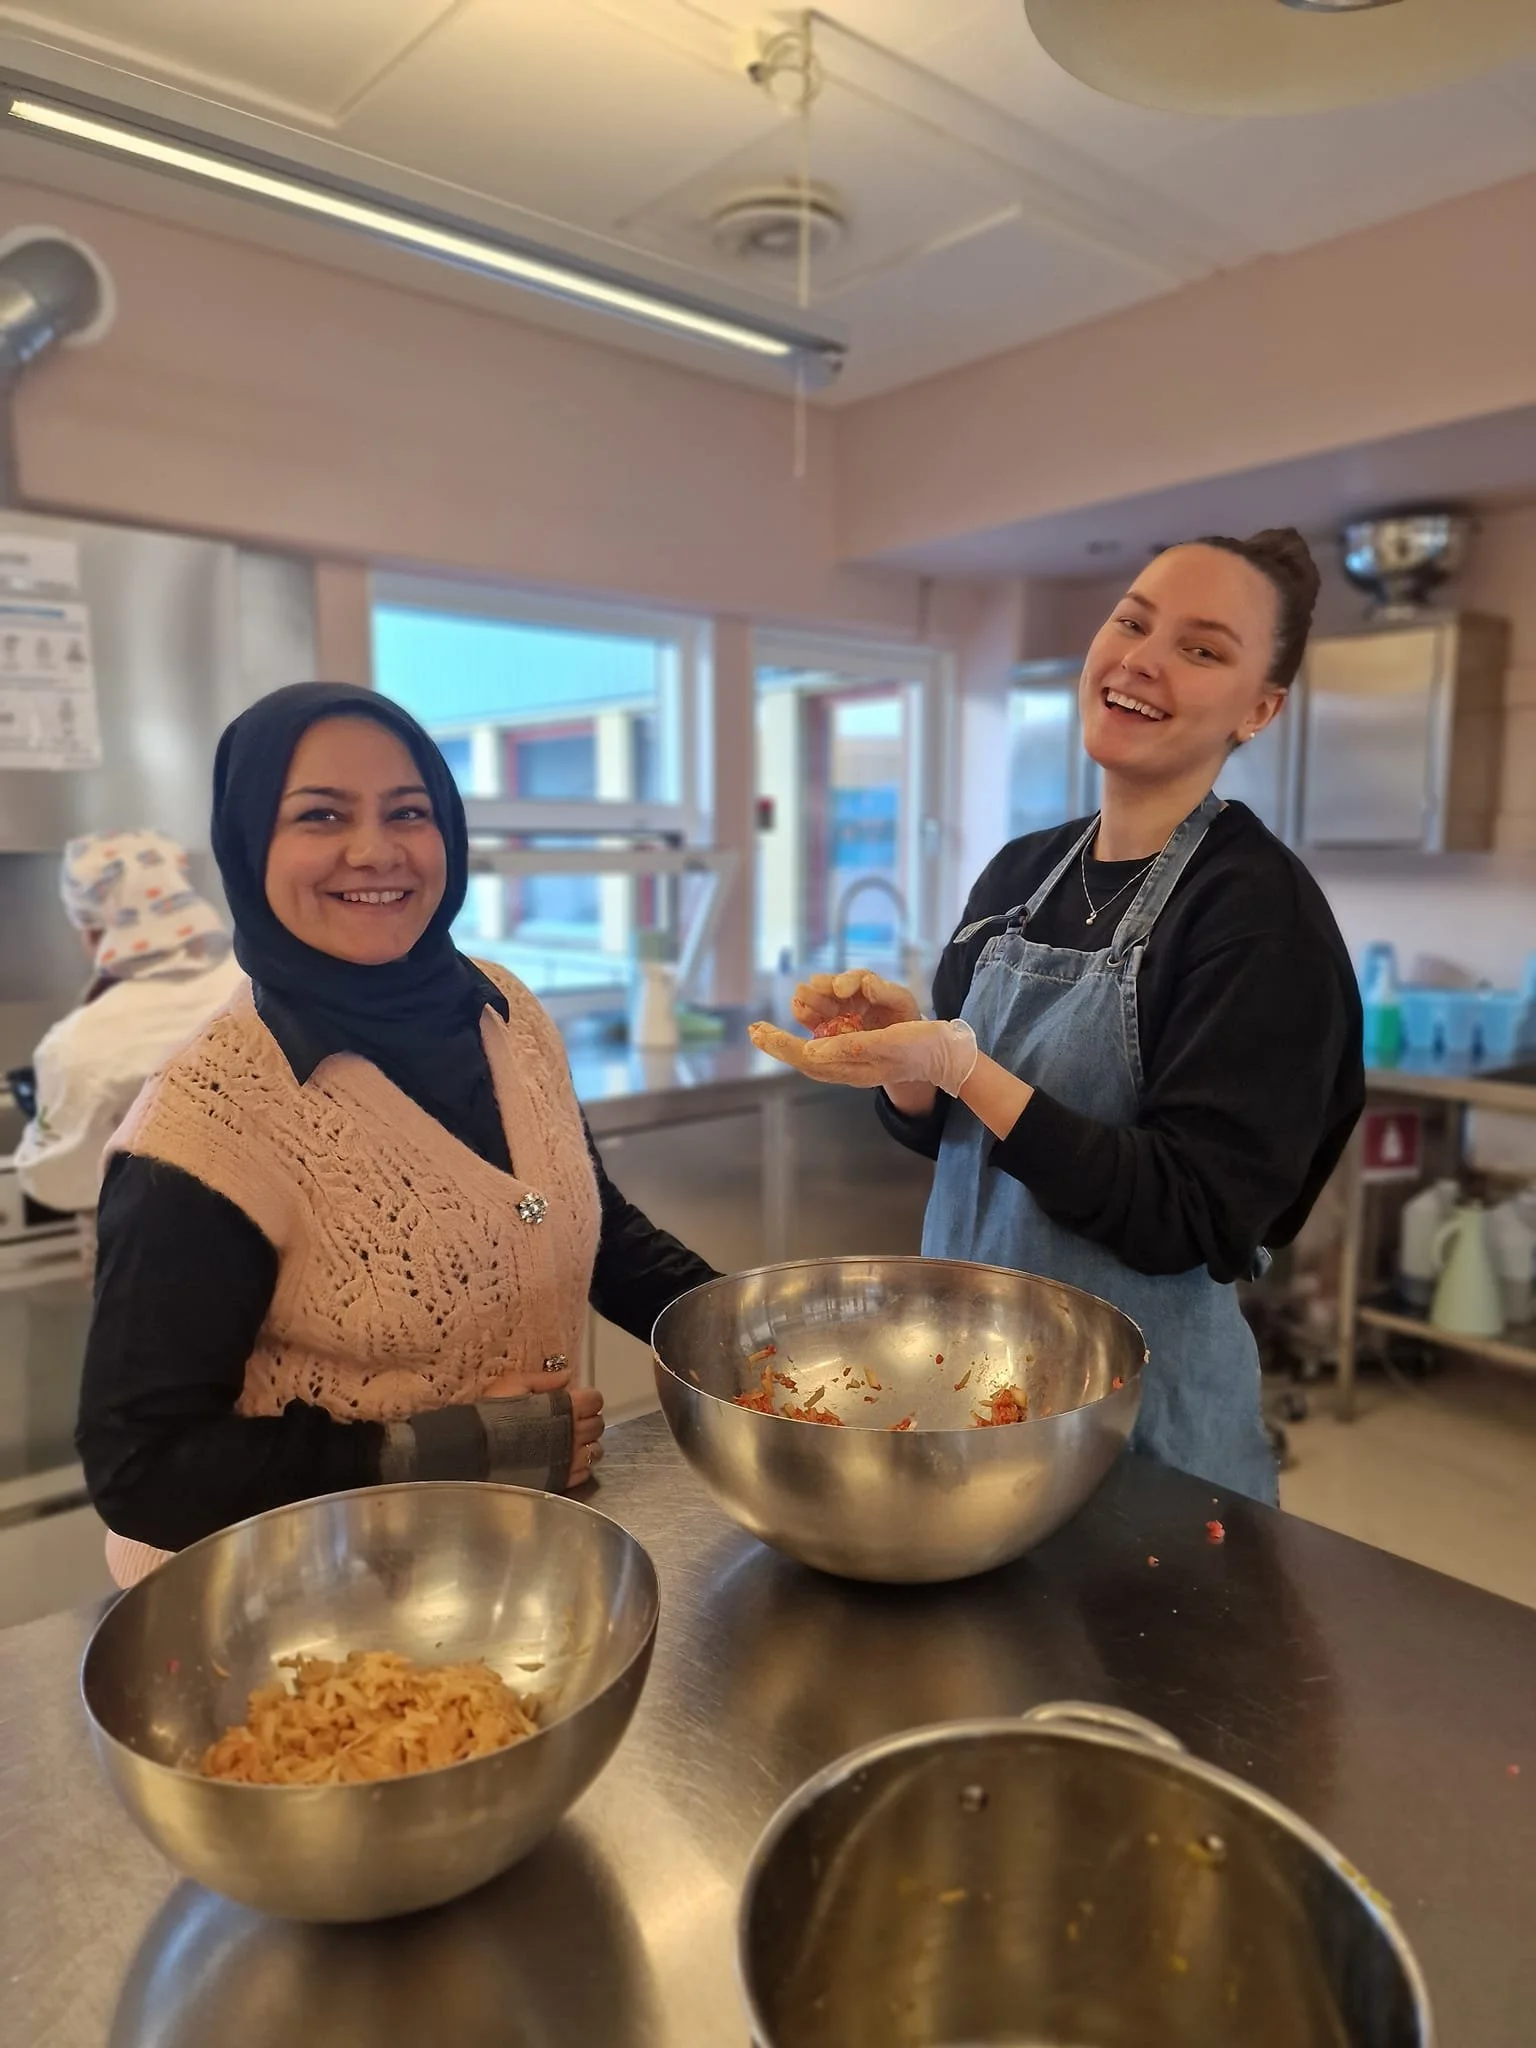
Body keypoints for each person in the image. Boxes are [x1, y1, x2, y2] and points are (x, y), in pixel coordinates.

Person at [751, 530, 1364, 1504]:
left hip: (1142, 1456)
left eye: (1202, 648)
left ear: (1259, 708)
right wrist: (908, 1061)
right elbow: (960, 1141)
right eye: (1132, 620)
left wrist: (965, 1067)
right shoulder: (1021, 873)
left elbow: (1185, 1212)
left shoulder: (1256, 916)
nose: (1143, 659)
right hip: (968, 1403)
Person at [77, 682, 716, 1585]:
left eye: (407, 811)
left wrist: (751, 1338)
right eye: (321, 815)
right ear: (250, 842)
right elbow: (141, 1468)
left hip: (492, 1570)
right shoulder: (205, 1128)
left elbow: (594, 1222)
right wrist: (447, 1450)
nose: (374, 850)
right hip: (288, 1608)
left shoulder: (504, 1011)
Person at [13, 830, 245, 1215]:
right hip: (267, 1231)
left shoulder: (79, 1043)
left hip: (146, 1243)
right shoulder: (252, 984)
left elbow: (60, 1180)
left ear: (92, 926)